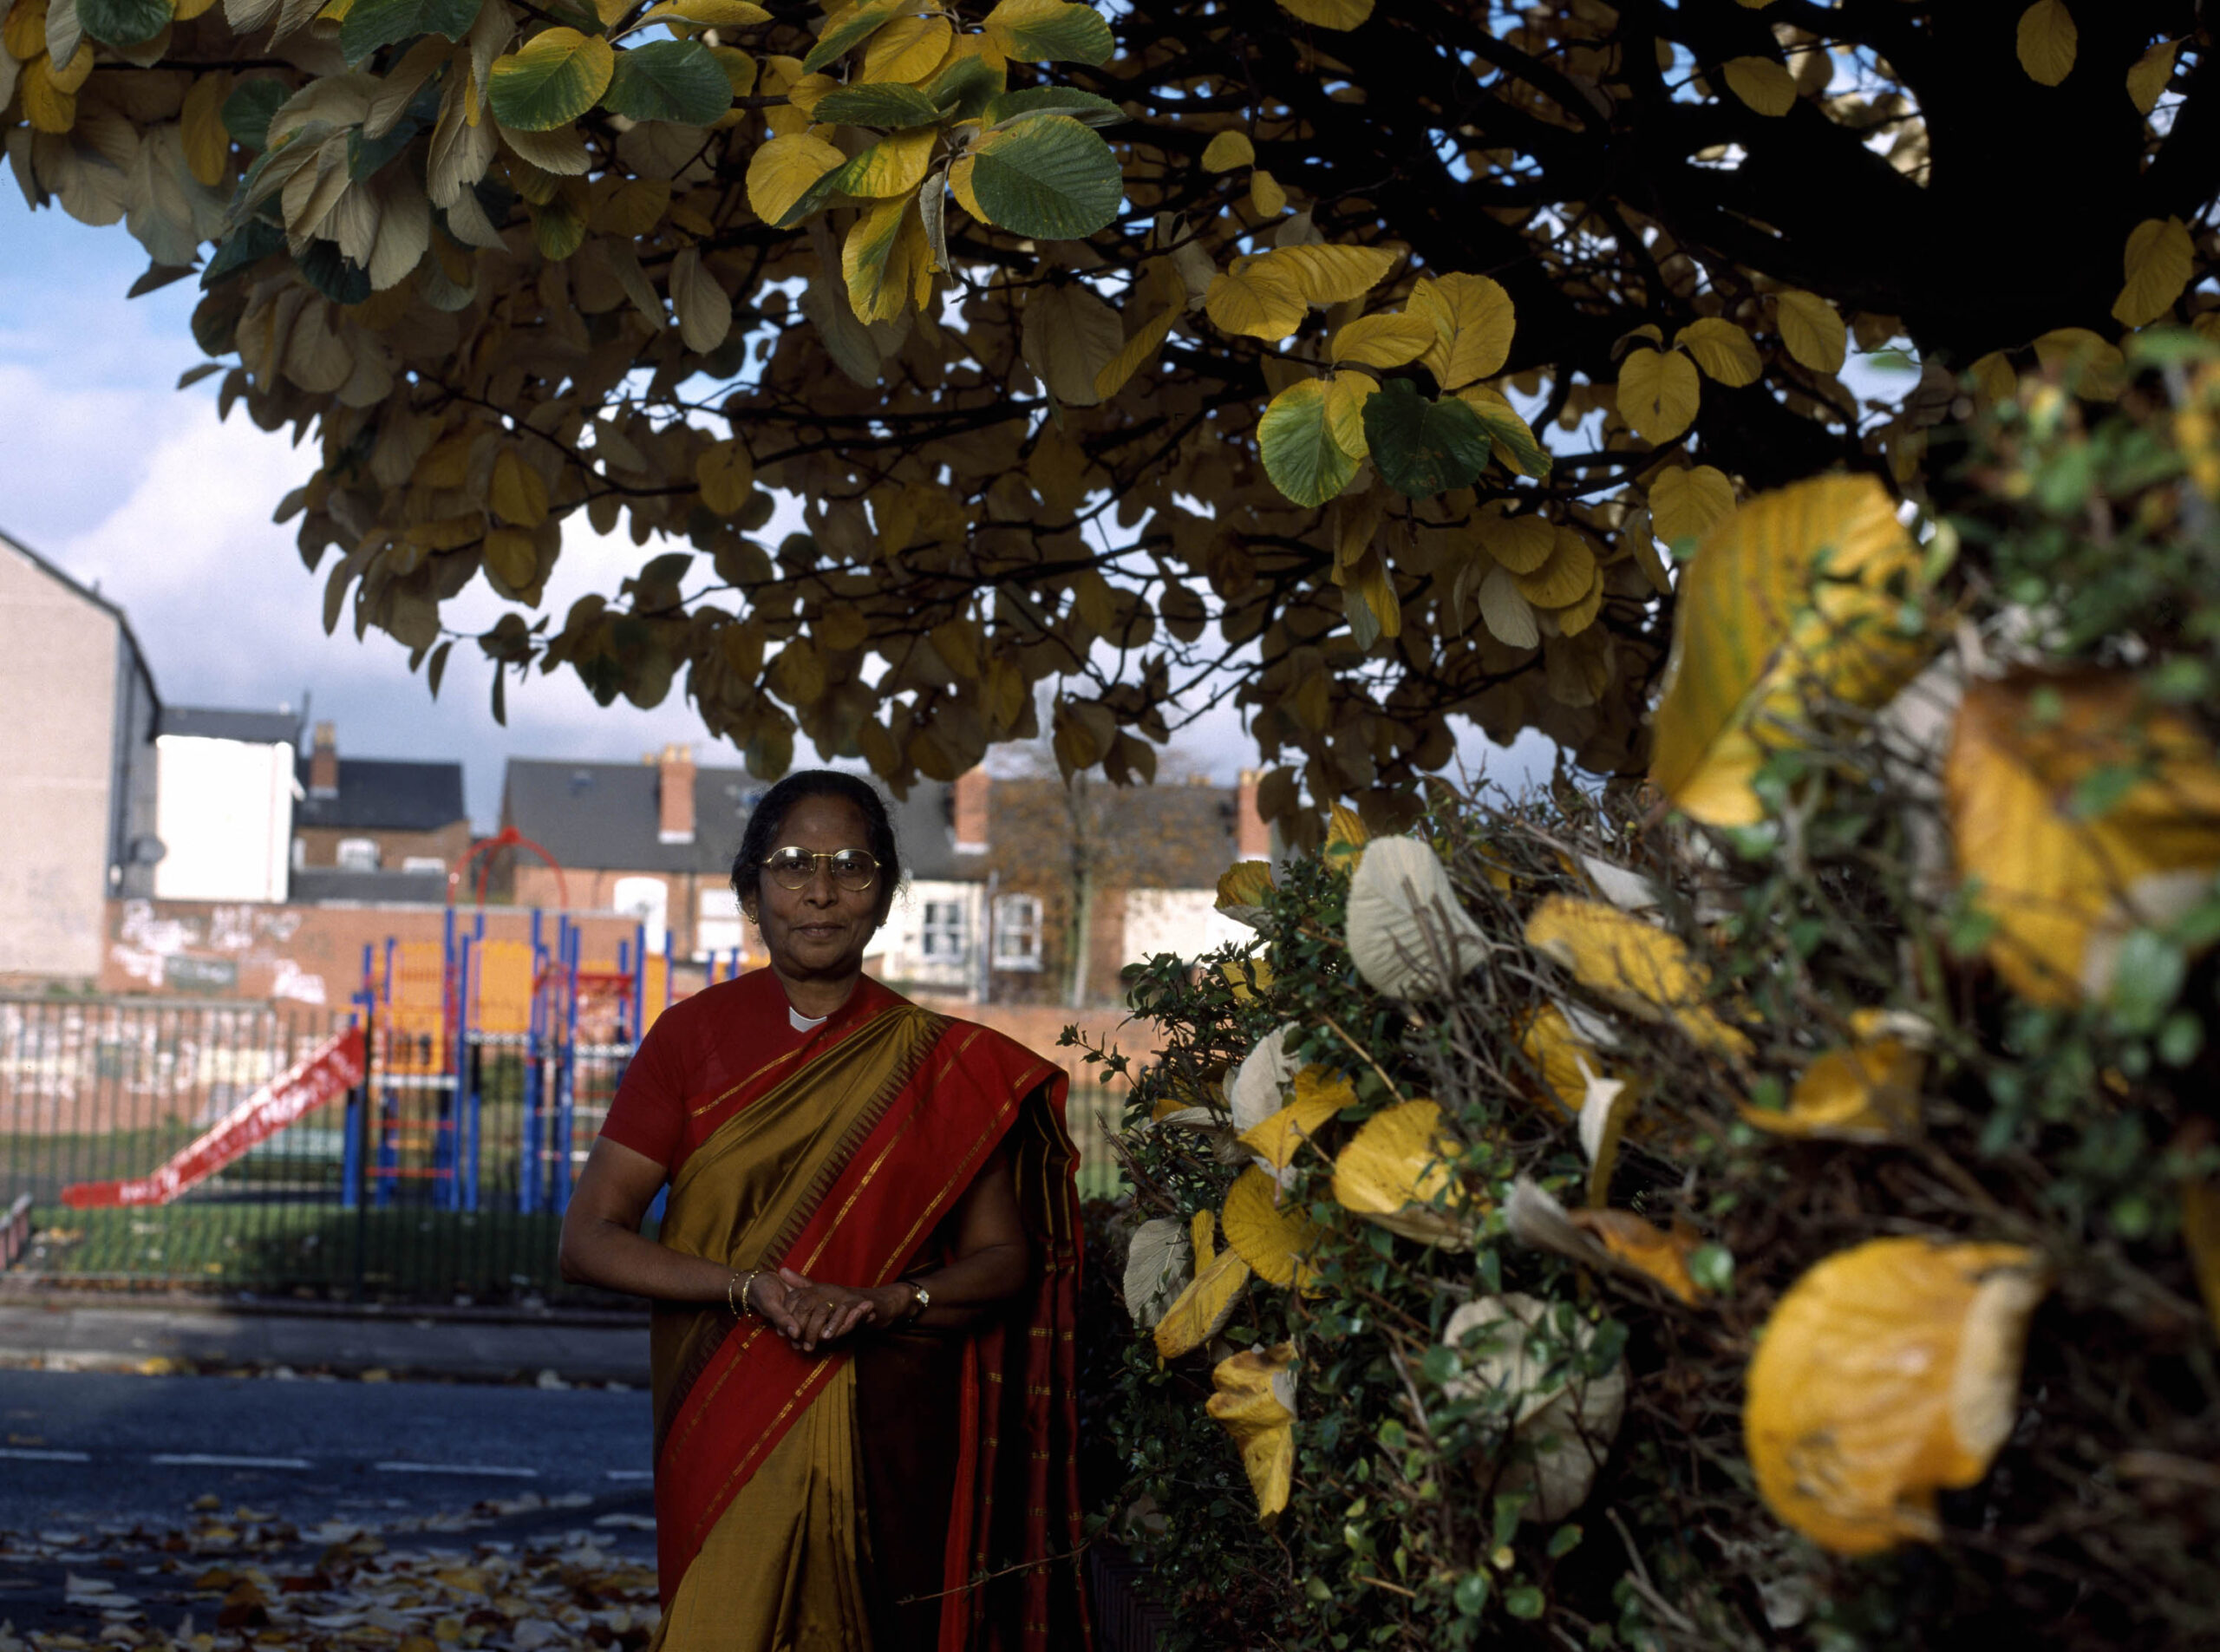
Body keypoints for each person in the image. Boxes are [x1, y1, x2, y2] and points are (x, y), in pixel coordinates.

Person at [557, 771, 1092, 1652]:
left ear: (884, 897)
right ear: (751, 892)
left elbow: (1004, 1261)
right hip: (721, 1415)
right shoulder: (688, 1042)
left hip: (890, 1426)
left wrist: (890, 1302)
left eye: (852, 865)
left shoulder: (945, 1066)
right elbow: (588, 1241)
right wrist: (749, 1289)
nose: (820, 890)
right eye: (792, 864)